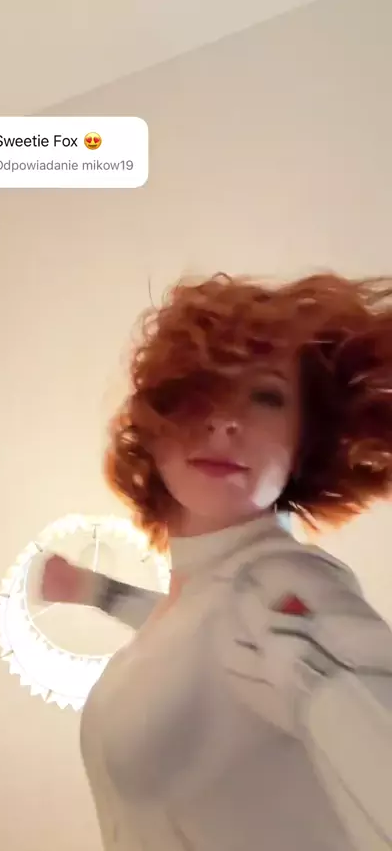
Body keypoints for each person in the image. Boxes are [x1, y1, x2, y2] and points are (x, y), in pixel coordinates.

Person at [33, 272, 392, 851]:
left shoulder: (280, 581)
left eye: (266, 396)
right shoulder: (212, 604)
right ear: (155, 428)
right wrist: (93, 592)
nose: (226, 420)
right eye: (201, 389)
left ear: (304, 441)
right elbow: (202, 640)